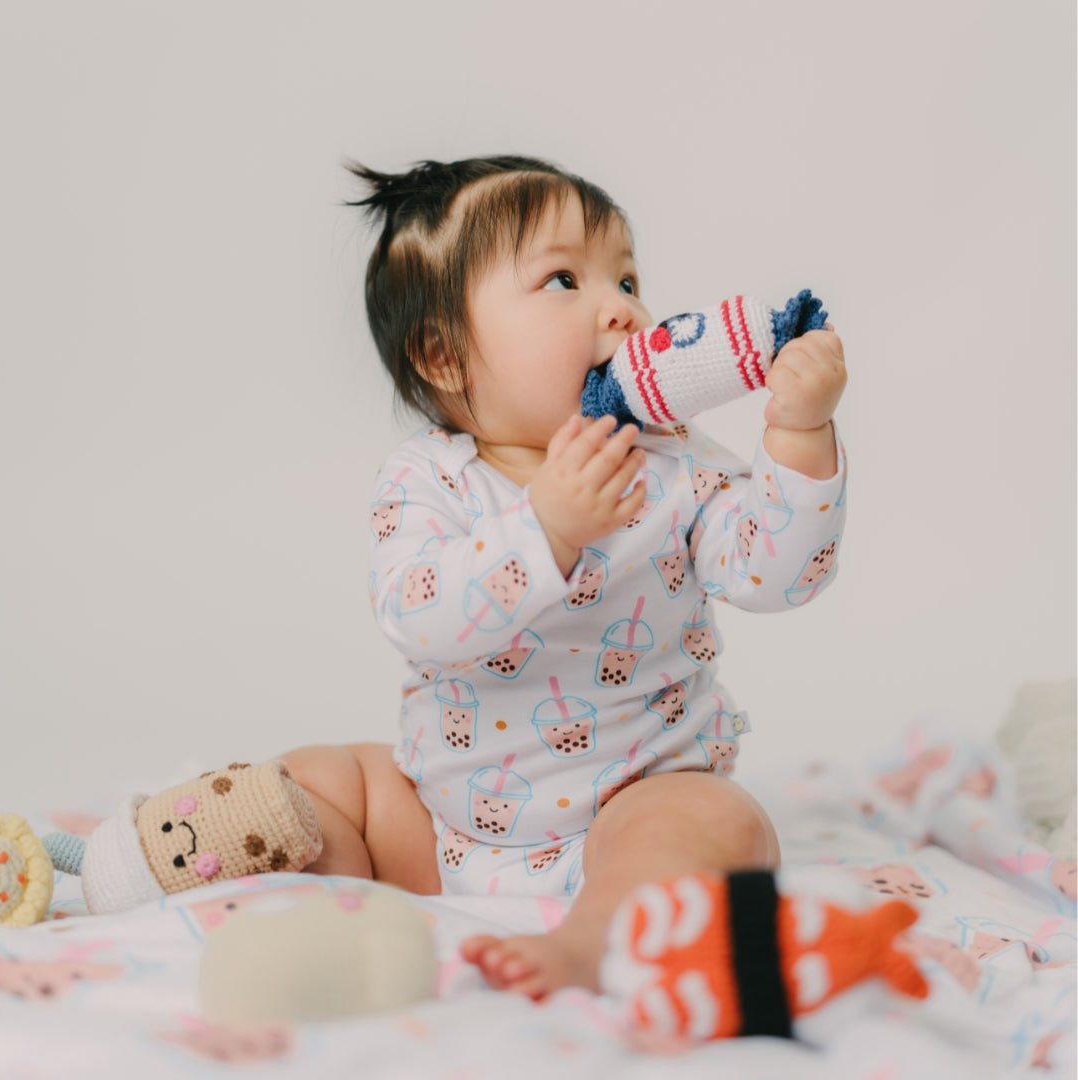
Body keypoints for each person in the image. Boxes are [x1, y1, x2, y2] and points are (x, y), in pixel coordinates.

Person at [281, 154, 848, 1000]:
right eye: (563, 279)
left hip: (629, 805)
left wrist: (800, 437)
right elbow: (418, 616)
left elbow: (775, 575)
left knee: (716, 821)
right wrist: (543, 530)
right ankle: (300, 905)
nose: (622, 308)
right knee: (317, 781)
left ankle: (593, 938)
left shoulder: (670, 464)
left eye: (625, 276)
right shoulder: (428, 482)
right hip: (442, 826)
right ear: (442, 353)